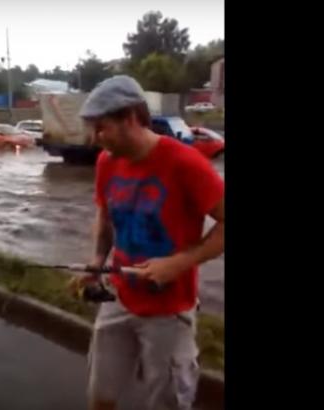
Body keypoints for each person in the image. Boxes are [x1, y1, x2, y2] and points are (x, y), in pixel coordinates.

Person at [72, 75, 225, 410]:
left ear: (130, 118)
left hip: (169, 313)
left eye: (101, 128)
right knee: (100, 397)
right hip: (118, 298)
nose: (94, 139)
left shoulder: (185, 162)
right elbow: (105, 215)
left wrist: (178, 263)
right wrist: (97, 261)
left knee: (166, 404)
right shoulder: (106, 162)